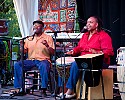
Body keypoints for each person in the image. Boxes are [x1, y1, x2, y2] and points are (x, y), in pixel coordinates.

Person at [57, 16, 114, 99]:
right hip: (84, 60)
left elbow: (109, 52)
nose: (88, 24)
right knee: (63, 63)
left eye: (91, 22)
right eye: (87, 22)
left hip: (98, 62)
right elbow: (79, 47)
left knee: (76, 64)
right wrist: (73, 52)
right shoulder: (84, 35)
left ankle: (69, 91)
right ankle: (61, 89)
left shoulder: (103, 36)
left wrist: (97, 52)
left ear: (96, 24)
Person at [13, 20, 55, 96]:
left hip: (43, 60)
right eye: (34, 26)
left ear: (42, 28)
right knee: (17, 65)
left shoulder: (48, 38)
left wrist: (47, 45)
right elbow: (23, 52)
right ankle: (20, 88)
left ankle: (43, 89)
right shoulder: (29, 39)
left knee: (44, 66)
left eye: (37, 26)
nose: (35, 27)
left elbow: (52, 52)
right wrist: (21, 45)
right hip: (31, 60)